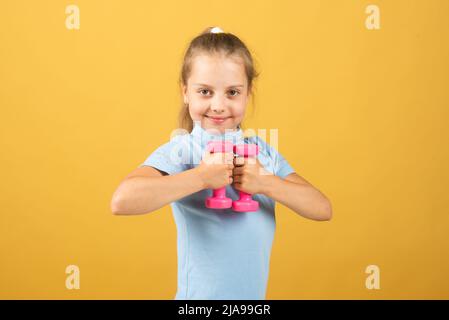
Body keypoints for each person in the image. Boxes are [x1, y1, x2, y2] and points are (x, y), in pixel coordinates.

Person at [110, 26, 332, 300]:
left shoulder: (263, 154)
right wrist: (201, 177)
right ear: (185, 92)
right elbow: (122, 201)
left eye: (232, 92)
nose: (218, 105)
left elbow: (322, 208)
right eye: (204, 91)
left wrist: (266, 183)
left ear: (248, 93)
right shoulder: (183, 150)